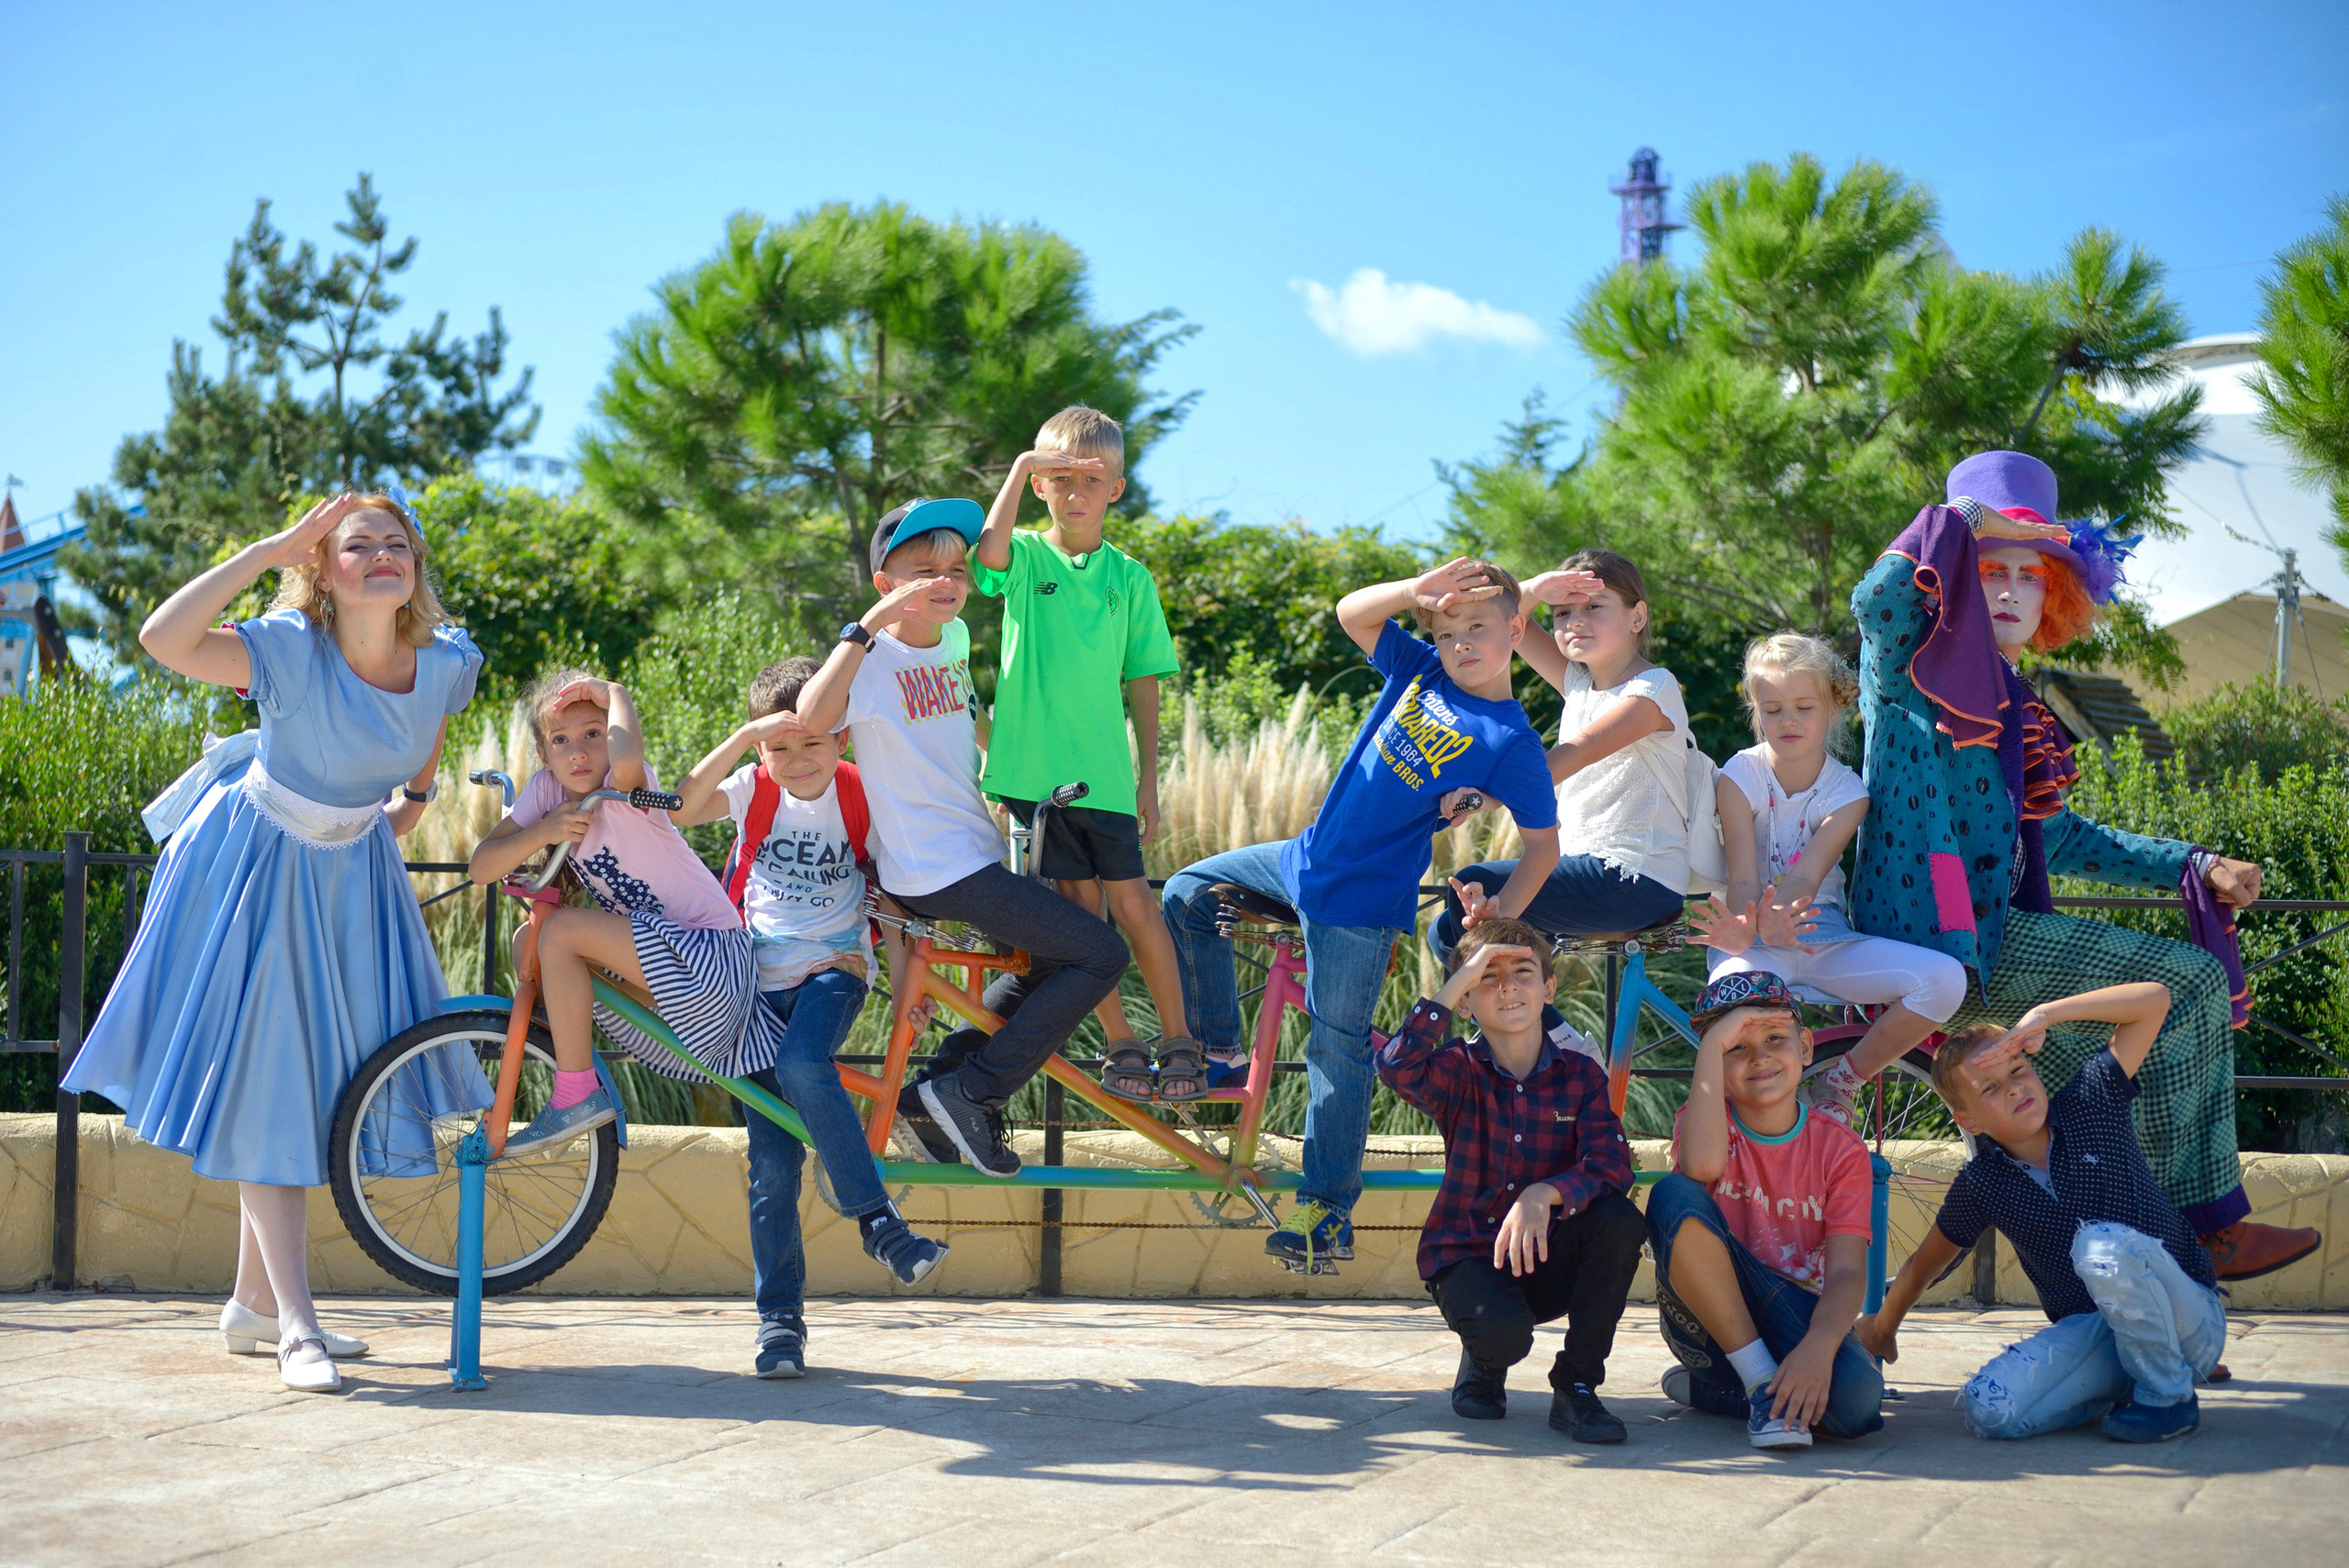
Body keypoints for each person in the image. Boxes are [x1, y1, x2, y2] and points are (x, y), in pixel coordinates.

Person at [1851, 449, 2319, 1280]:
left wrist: (2197, 861)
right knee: (2189, 984)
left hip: (1996, 941)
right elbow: (1877, 598)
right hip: (1935, 946)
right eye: (1989, 569)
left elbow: (2058, 838)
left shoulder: (2013, 699)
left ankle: (2161, 1288)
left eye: (2030, 576)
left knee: (2104, 1112)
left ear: (2054, 597)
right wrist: (1962, 522)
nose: (2007, 591)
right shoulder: (1906, 666)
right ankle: (2211, 1227)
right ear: (1955, 572)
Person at [64, 491, 481, 1393]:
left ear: (415, 565)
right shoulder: (290, 646)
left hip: (350, 871)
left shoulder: (446, 663)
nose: (380, 554)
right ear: (322, 570)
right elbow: (163, 641)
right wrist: (266, 550)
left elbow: (420, 760)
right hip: (253, 866)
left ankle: (252, 1304)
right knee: (272, 1086)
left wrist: (392, 816)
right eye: (354, 544)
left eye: (395, 542)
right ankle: (297, 1325)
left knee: (320, 1085)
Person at [1163, 558, 1562, 1273]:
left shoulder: (1511, 742)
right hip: (1301, 860)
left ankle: (1326, 1212)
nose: (1461, 642)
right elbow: (1353, 613)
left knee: (1336, 1049)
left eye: (1478, 627)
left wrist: (1501, 917)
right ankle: (1222, 1050)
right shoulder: (1422, 672)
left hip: (1361, 905)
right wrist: (1413, 593)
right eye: (1446, 631)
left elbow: (1543, 847)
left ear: (1518, 628)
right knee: (1187, 893)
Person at [795, 497, 1130, 1179]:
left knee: (1044, 965)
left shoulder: (953, 640)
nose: (948, 580)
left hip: (974, 849)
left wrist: (1034, 769)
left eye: (956, 567)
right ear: (887, 585)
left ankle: (934, 1094)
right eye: (925, 571)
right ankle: (974, 1088)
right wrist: (866, 626)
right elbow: (811, 715)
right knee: (1100, 954)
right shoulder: (869, 659)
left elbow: (969, 721)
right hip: (933, 867)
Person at [669, 656, 949, 1377]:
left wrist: (905, 984)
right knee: (771, 1166)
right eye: (779, 745)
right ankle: (779, 1324)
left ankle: (877, 1221)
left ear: (843, 737)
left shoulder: (864, 795)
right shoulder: (752, 787)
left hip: (836, 968)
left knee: (803, 1063)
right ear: (763, 746)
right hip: (754, 981)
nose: (796, 760)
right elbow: (679, 806)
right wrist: (740, 738)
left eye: (812, 742)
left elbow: (890, 895)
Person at [1856, 984, 2227, 1443]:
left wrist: (2046, 1014)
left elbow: (2154, 1002)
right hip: (2099, 1335)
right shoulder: (1983, 1183)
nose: (2014, 1089)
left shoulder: (2091, 1101)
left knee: (2100, 1247)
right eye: (1990, 1088)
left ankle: (2169, 1398)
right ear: (1969, 1121)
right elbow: (1923, 1266)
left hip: (2189, 1321)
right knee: (1990, 1407)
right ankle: (2123, 1386)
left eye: (2018, 1070)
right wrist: (1882, 1328)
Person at [974, 406, 1198, 1102]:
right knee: (1080, 915)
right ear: (1040, 484)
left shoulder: (1129, 578)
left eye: (1090, 479)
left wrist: (1149, 781)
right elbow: (986, 556)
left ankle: (1179, 1040)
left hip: (1103, 778)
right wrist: (1016, 469)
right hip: (1035, 784)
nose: (1074, 491)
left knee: (1135, 905)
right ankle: (1120, 1042)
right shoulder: (1026, 558)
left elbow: (1143, 680)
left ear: (1116, 489)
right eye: (1058, 477)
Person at [468, 669, 772, 1155]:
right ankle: (568, 1068)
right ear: (544, 756)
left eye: (593, 734)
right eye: (561, 740)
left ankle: (575, 1092)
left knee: (562, 930)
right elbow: (482, 867)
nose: (579, 752)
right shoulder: (548, 791)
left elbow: (628, 760)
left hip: (713, 963)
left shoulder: (623, 789)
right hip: (666, 972)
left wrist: (616, 694)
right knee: (531, 944)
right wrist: (542, 831)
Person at [1377, 917, 1645, 1443]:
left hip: (1545, 1254)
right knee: (1502, 1338)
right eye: (1487, 977)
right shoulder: (1457, 1069)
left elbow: (1612, 1162)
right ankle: (1484, 1358)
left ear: (1547, 989)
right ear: (1466, 1002)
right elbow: (1396, 1067)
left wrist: (1545, 1193)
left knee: (1618, 1220)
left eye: (1522, 972)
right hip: (1470, 1253)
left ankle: (1578, 1388)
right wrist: (1457, 978)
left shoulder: (1580, 1075)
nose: (1507, 987)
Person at [1687, 632, 1967, 1122]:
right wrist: (1744, 928)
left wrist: (1783, 919)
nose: (1788, 720)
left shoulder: (1848, 792)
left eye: (1804, 707)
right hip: (1751, 944)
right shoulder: (1739, 775)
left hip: (1821, 938)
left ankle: (1840, 1081)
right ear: (1756, 713)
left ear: (1832, 711)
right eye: (1772, 709)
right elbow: (1744, 880)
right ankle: (1724, 1126)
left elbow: (1806, 879)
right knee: (1731, 1009)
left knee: (1944, 980)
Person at [1645, 972, 1885, 1450]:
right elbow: (1701, 1166)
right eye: (1735, 1047)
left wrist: (1818, 1348)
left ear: (1807, 1047)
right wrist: (1710, 1048)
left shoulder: (1841, 1150)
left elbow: (1845, 1274)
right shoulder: (1704, 1126)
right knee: (1674, 1193)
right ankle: (1756, 1380)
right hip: (1710, 1325)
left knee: (1858, 1399)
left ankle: (1733, 1398)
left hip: (1794, 1318)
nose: (1759, 1057)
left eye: (1775, 1039)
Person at [1431, 549, 1694, 965]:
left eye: (1593, 607)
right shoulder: (1578, 683)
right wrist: (1536, 588)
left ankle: (1448, 1024)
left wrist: (1488, 795)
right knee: (1449, 926)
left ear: (1637, 617)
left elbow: (1576, 752)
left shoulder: (1654, 688)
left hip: (1636, 877)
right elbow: (1506, 620)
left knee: (1472, 888)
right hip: (1585, 870)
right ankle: (1541, 1030)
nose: (1574, 621)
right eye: (1561, 612)